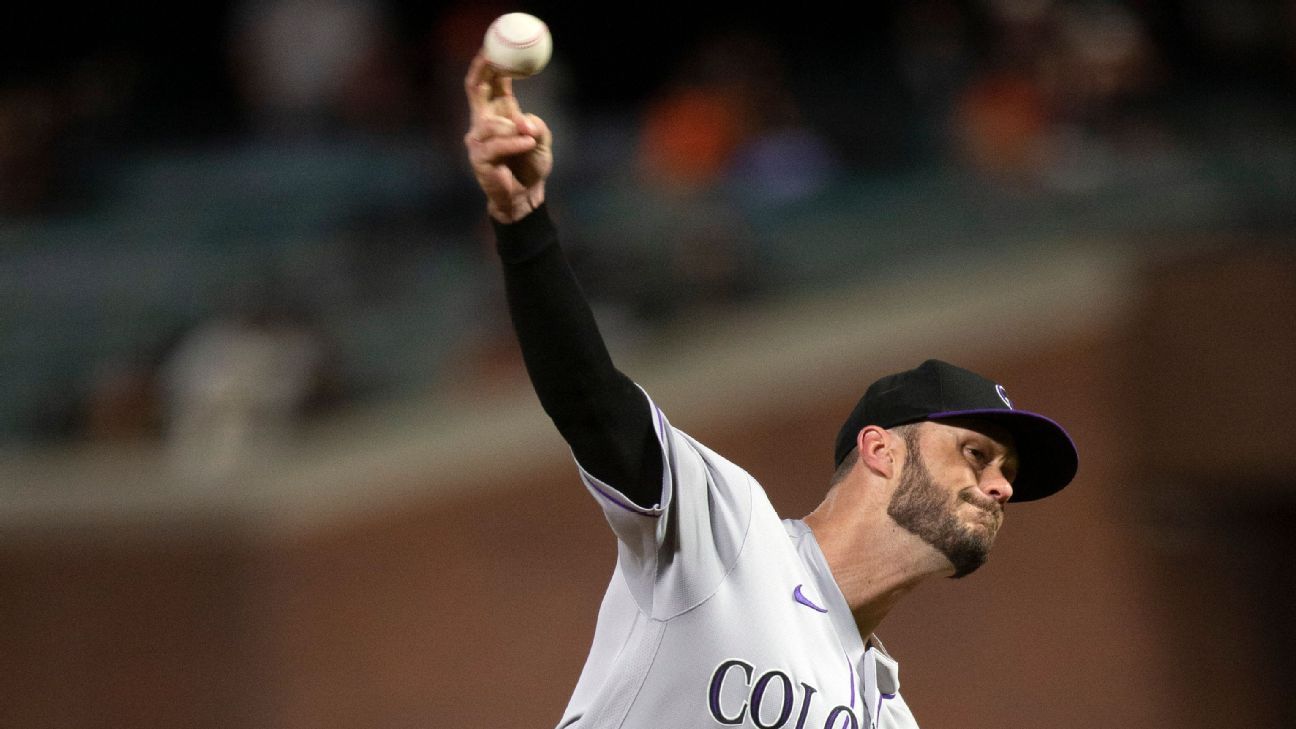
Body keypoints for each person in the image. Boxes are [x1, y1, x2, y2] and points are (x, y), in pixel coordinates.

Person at [463, 53, 1078, 729]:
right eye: (976, 453)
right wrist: (524, 227)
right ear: (882, 449)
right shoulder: (730, 532)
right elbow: (590, 400)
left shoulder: (888, 714)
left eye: (1009, 473)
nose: (1001, 487)